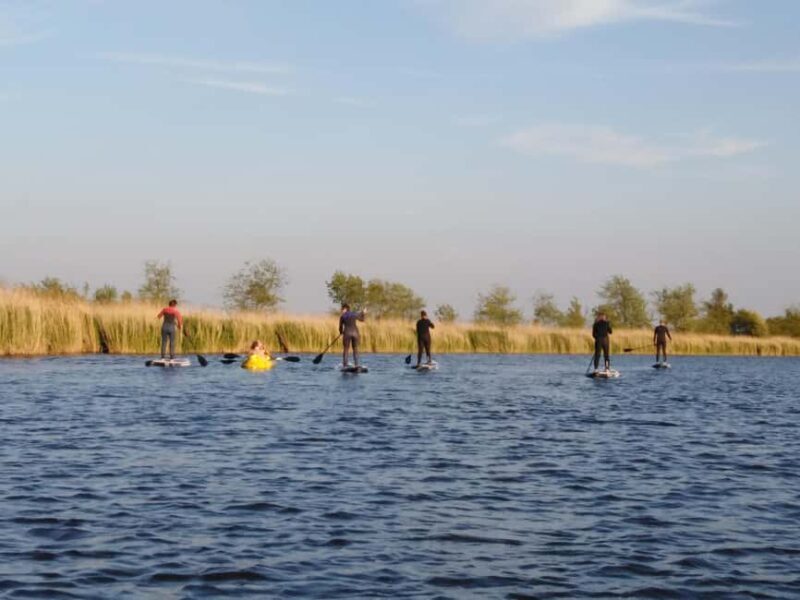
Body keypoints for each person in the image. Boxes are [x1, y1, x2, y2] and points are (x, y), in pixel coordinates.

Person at [339, 303, 366, 368]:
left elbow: (340, 327)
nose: (341, 310)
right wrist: (364, 313)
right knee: (355, 349)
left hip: (347, 333)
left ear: (345, 309)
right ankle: (356, 365)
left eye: (342, 309)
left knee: (346, 349)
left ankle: (345, 366)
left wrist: (341, 332)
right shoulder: (354, 314)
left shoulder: (342, 316)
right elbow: (362, 320)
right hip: (355, 334)